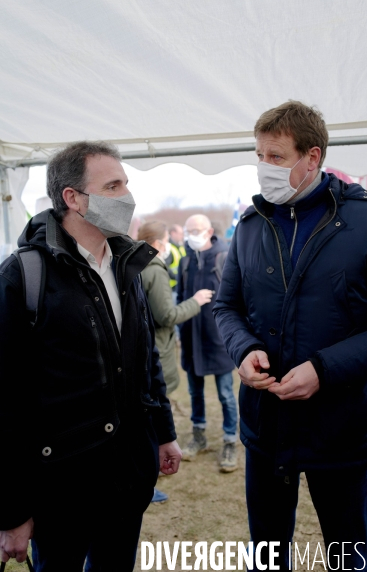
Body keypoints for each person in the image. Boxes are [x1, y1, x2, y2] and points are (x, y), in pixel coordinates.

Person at [213, 100, 367, 571]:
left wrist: (323, 369)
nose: (263, 168)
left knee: (347, 554)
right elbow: (226, 306)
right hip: (265, 424)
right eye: (259, 156)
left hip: (338, 428)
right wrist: (245, 349)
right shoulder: (251, 225)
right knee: (268, 555)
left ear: (311, 158)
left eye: (275, 157)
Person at [0, 141, 182, 571]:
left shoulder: (126, 264)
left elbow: (145, 360)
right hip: (61, 491)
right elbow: (4, 400)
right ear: (73, 198)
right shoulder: (23, 275)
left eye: (126, 183)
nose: (127, 196)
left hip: (127, 481)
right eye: (113, 185)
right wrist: (11, 511)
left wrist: (162, 432)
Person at [138, 220, 213, 503]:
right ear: (158, 244)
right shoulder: (154, 269)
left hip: (145, 350)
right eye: (167, 240)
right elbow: (166, 316)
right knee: (152, 417)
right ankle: (149, 480)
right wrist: (196, 301)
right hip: (156, 350)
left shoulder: (135, 264)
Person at [177, 214, 238, 473]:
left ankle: (230, 440)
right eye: (189, 230)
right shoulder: (185, 261)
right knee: (194, 392)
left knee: (225, 393)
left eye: (197, 230)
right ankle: (198, 435)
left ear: (209, 230)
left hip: (219, 339)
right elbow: (180, 297)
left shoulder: (224, 257)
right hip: (192, 338)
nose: (192, 235)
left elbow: (236, 298)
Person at [165, 224, 186, 293]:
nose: (182, 236)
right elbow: (165, 267)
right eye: (180, 234)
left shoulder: (181, 247)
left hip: (180, 286)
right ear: (173, 233)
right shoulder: (168, 248)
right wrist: (178, 277)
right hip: (171, 288)